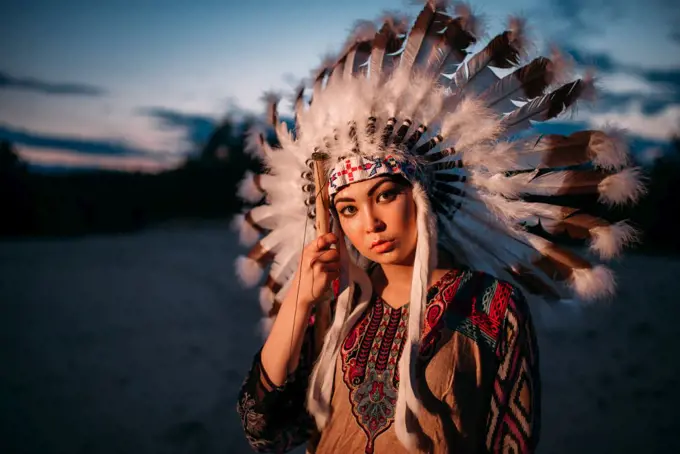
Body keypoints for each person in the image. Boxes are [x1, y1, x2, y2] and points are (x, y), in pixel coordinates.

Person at [233, 2, 645, 452]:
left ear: (422, 194)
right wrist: (300, 297)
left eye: (386, 195)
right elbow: (265, 433)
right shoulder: (334, 308)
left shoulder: (491, 305)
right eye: (347, 209)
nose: (369, 223)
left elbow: (511, 443)